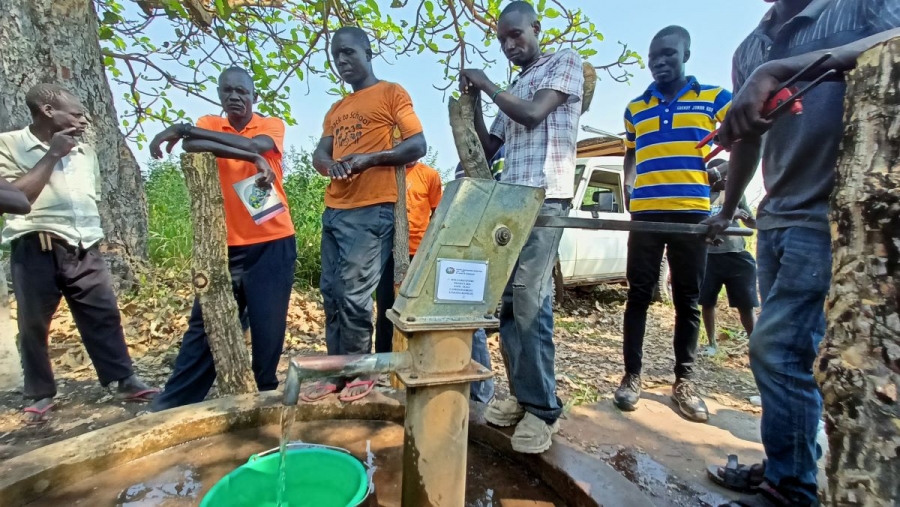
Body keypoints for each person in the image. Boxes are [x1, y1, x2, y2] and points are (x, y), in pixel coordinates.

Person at [703, 2, 900, 506]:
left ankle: (790, 488)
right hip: (778, 214)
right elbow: (748, 136)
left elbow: (890, 47)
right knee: (791, 357)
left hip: (838, 211)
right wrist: (729, 209)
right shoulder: (752, 44)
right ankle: (786, 466)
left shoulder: (862, 5)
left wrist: (781, 70)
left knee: (781, 348)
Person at [459, 0, 584, 453]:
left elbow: (533, 114)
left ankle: (543, 409)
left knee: (531, 299)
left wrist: (487, 85)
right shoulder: (515, 86)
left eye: (516, 34)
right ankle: (522, 397)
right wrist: (472, 102)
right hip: (510, 203)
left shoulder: (563, 63)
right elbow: (491, 144)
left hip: (546, 198)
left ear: (535, 28)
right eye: (502, 40)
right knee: (510, 303)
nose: (511, 44)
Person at [0, 83, 158, 425]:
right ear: (47, 111)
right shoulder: (10, 144)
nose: (83, 120)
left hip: (84, 245)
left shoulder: (85, 153)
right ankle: (39, 392)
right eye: (75, 113)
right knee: (33, 323)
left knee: (103, 314)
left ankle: (123, 379)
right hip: (37, 245)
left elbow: (91, 198)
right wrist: (53, 153)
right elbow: (16, 198)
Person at [147, 66, 297, 411]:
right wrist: (253, 158)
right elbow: (193, 143)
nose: (235, 97)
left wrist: (251, 150)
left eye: (242, 91)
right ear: (219, 96)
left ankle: (264, 395)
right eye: (228, 91)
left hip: (272, 242)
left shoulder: (270, 124)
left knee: (267, 327)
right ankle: (176, 400)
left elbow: (255, 142)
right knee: (206, 322)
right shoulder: (210, 122)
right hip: (225, 246)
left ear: (254, 96)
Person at [302, 26, 427, 403]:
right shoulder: (336, 109)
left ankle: (359, 371)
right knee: (331, 293)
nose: (342, 61)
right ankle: (335, 371)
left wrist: (369, 160)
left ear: (367, 52)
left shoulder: (391, 93)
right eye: (335, 55)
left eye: (348, 53)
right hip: (335, 209)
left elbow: (417, 144)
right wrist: (331, 165)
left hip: (373, 209)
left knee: (355, 295)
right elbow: (319, 156)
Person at [614, 26, 732, 423]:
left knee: (688, 299)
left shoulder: (715, 99)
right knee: (639, 296)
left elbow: (748, 139)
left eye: (668, 54)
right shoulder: (635, 108)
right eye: (653, 58)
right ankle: (631, 376)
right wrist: (629, 185)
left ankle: (684, 381)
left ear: (686, 53)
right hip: (645, 215)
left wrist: (724, 178)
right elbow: (630, 154)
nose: (660, 62)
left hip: (692, 213)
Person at [453, 146, 506, 404]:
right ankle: (475, 390)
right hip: (466, 241)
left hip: (488, 243)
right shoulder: (467, 159)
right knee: (465, 317)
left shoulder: (503, 155)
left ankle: (482, 395)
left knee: (473, 318)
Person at [374, 159, 442, 354]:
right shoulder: (386, 173)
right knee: (386, 306)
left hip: (419, 253)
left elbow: (438, 213)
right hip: (388, 252)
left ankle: (415, 357)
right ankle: (383, 358)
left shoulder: (429, 175)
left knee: (416, 308)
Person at [699, 159, 757, 355]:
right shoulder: (702, 196)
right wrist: (731, 217)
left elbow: (751, 223)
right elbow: (699, 224)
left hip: (736, 255)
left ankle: (755, 346)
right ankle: (712, 343)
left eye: (728, 175)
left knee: (746, 304)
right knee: (707, 302)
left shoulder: (736, 195)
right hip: (710, 257)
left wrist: (749, 219)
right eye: (722, 175)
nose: (726, 179)